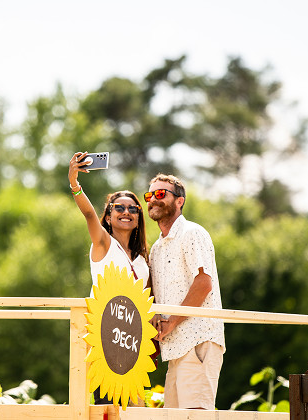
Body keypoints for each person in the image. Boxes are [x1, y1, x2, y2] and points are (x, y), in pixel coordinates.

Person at [68, 152, 150, 405]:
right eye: (119, 208)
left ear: (138, 217)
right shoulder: (104, 243)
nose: (126, 212)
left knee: (135, 411)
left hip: (133, 342)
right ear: (109, 215)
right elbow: (89, 215)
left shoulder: (141, 259)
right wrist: (74, 182)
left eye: (132, 209)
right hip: (105, 339)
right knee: (109, 411)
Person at [145, 173, 225, 410]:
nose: (154, 199)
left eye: (161, 194)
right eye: (150, 195)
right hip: (174, 347)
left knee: (195, 416)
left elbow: (203, 283)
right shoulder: (157, 248)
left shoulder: (192, 233)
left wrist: (172, 321)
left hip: (198, 341)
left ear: (179, 201)